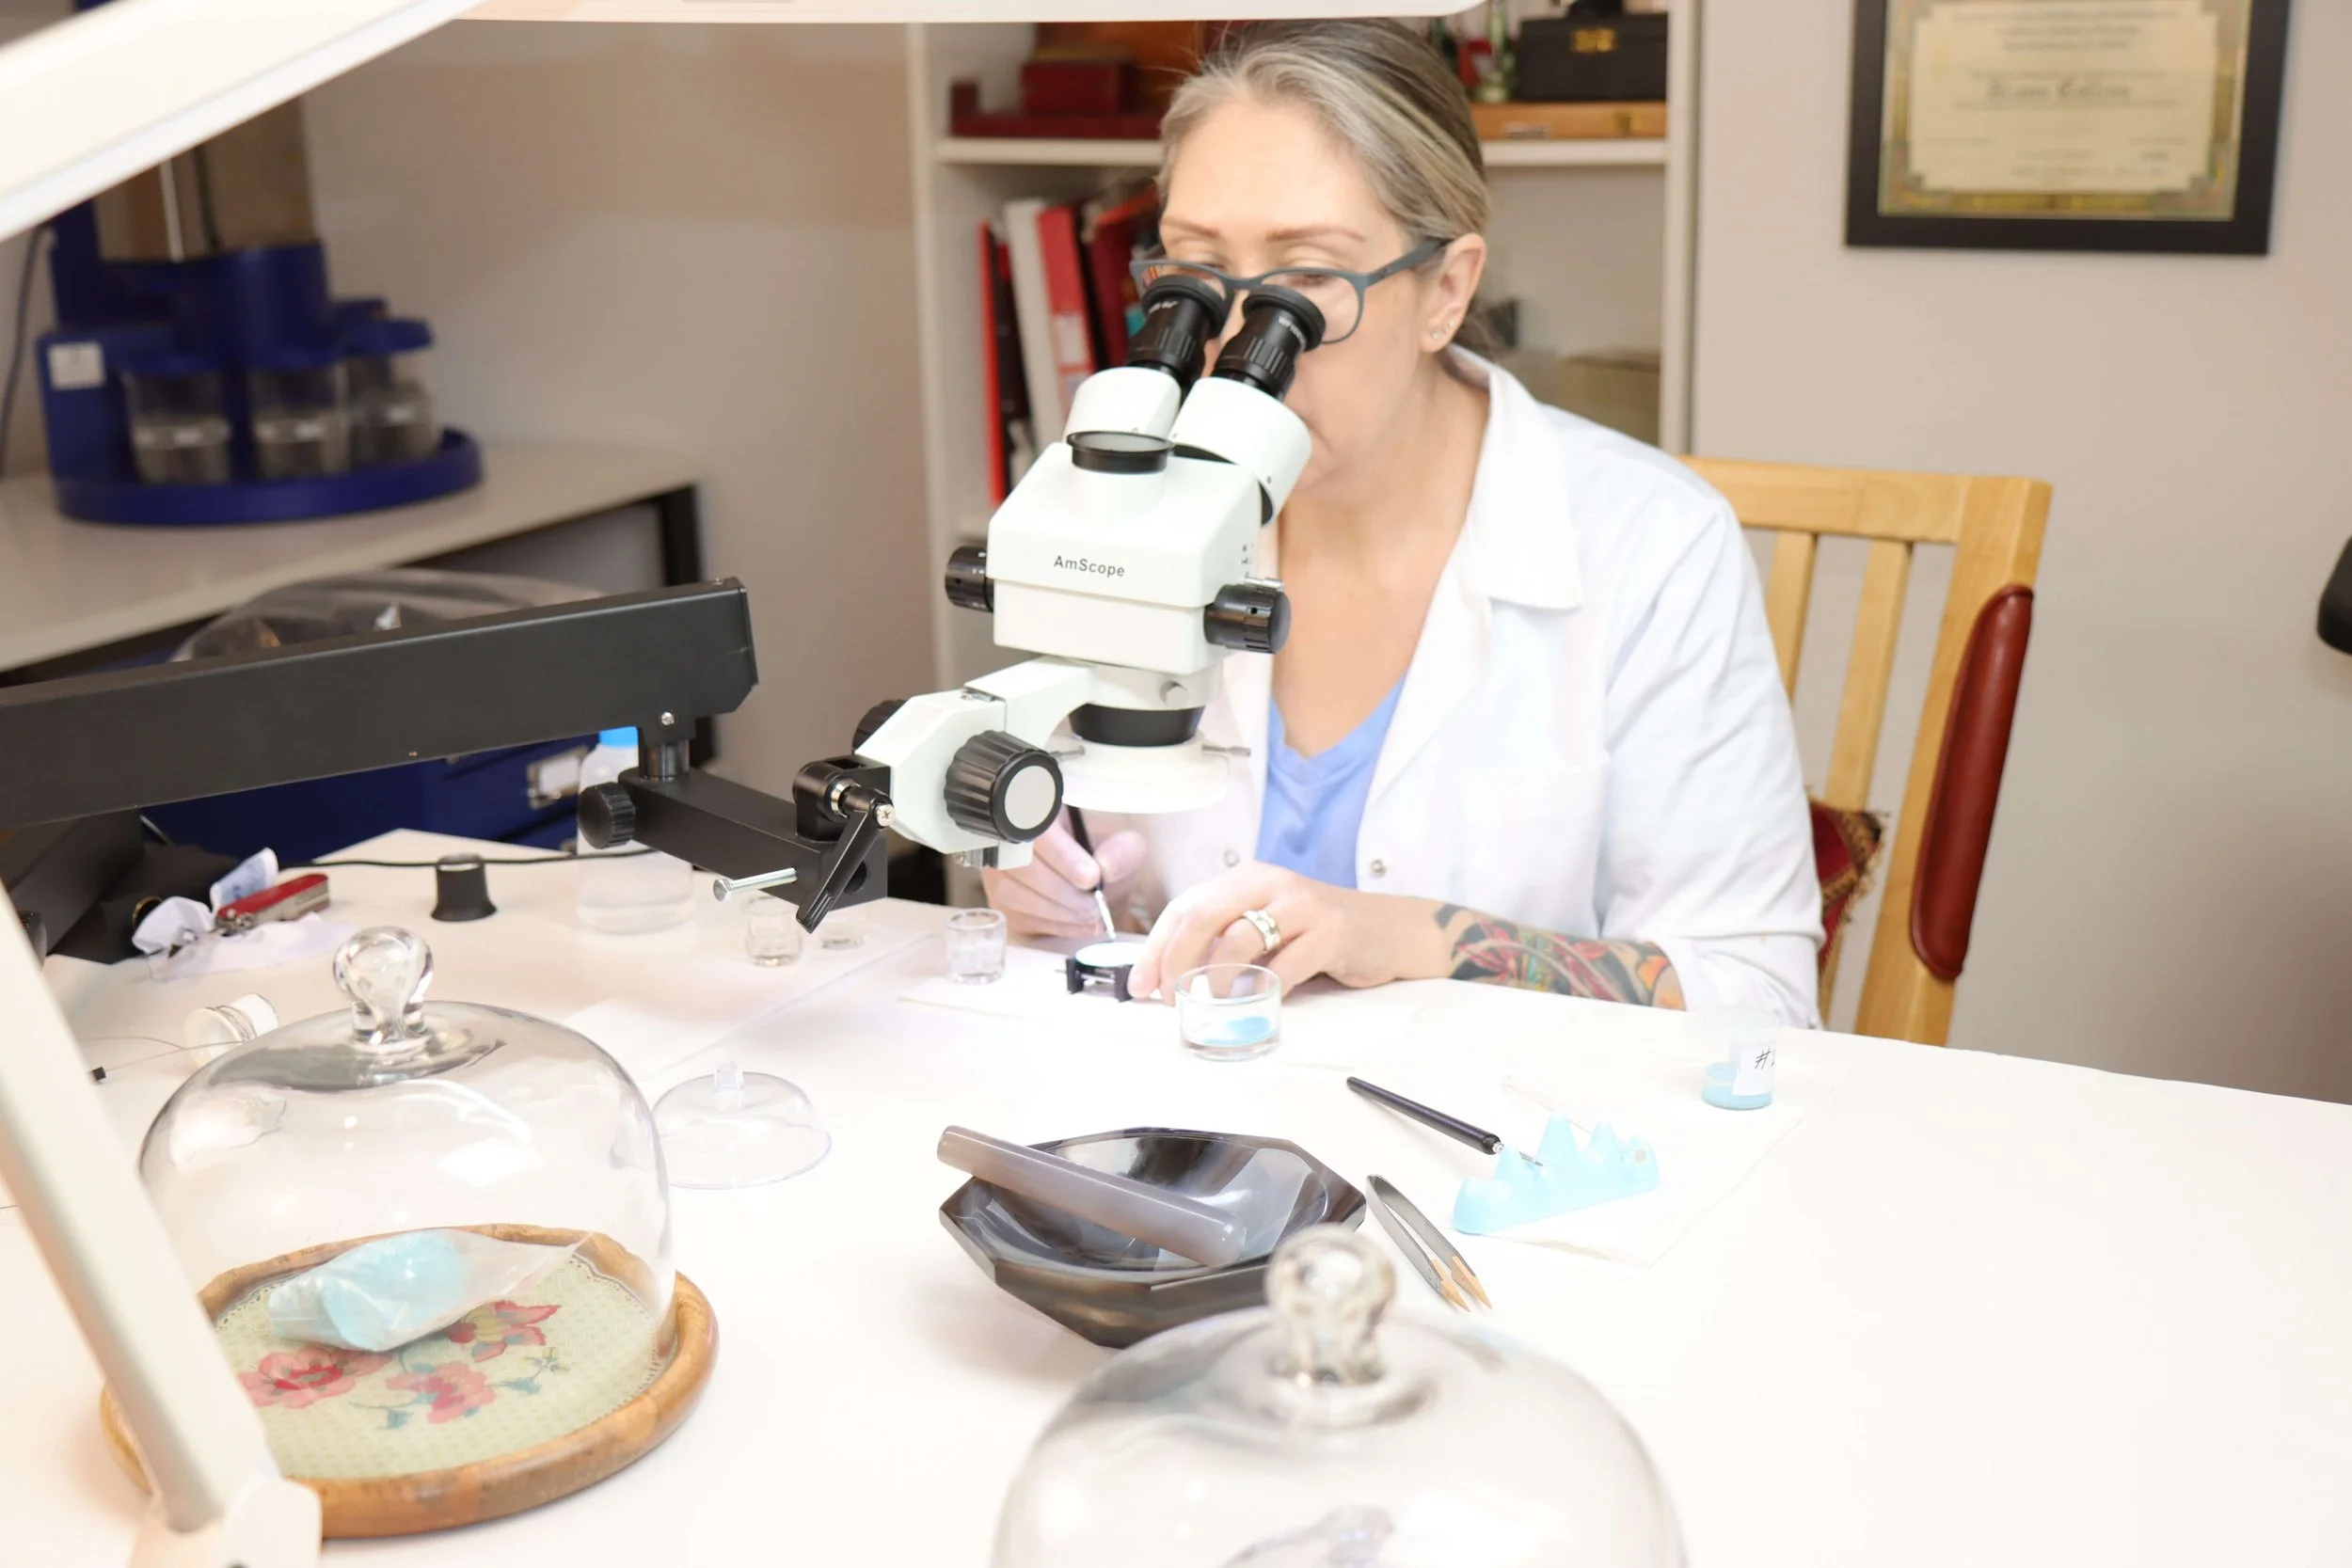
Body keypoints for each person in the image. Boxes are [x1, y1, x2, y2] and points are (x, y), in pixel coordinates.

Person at [983, 20, 1823, 1025]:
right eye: (1197, 276)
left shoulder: (1651, 545)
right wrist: (1050, 889)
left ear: (1447, 290)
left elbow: (1758, 999)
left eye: (1304, 283)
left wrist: (1402, 936)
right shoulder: (1129, 515)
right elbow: (1118, 894)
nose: (1241, 343)